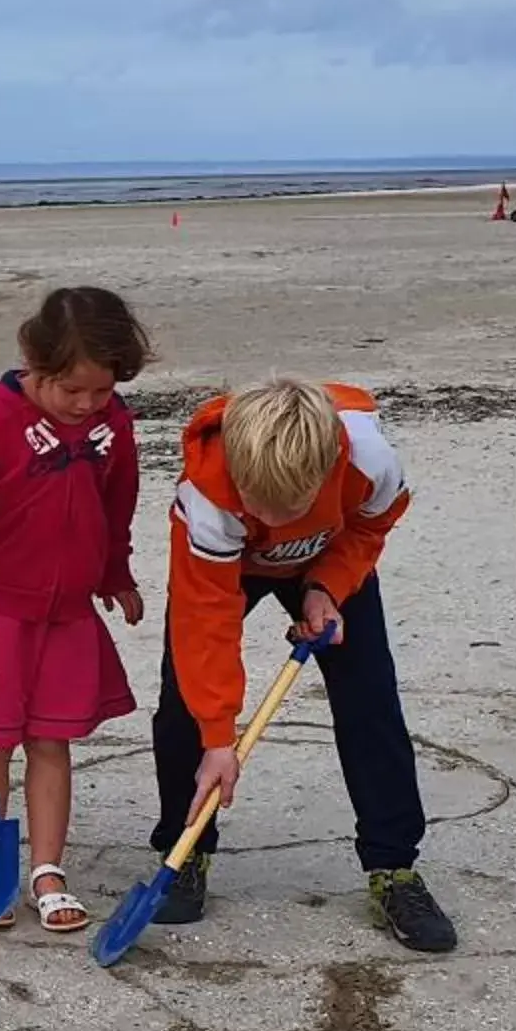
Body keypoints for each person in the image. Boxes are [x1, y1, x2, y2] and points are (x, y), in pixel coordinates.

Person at [146, 377, 456, 951]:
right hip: (231, 568)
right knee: (184, 703)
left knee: (371, 700)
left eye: (284, 505)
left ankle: (394, 868)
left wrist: (328, 586)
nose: (266, 514)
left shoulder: (370, 458)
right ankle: (185, 849)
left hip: (329, 555)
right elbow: (204, 626)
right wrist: (219, 738)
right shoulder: (209, 499)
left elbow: (370, 525)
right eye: (255, 501)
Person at [0, 286, 151, 933]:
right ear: (35, 363)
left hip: (68, 611)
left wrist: (115, 573)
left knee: (52, 738)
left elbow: (116, 504)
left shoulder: (113, 424)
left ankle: (48, 871)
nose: (86, 405)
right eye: (72, 390)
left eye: (101, 392)